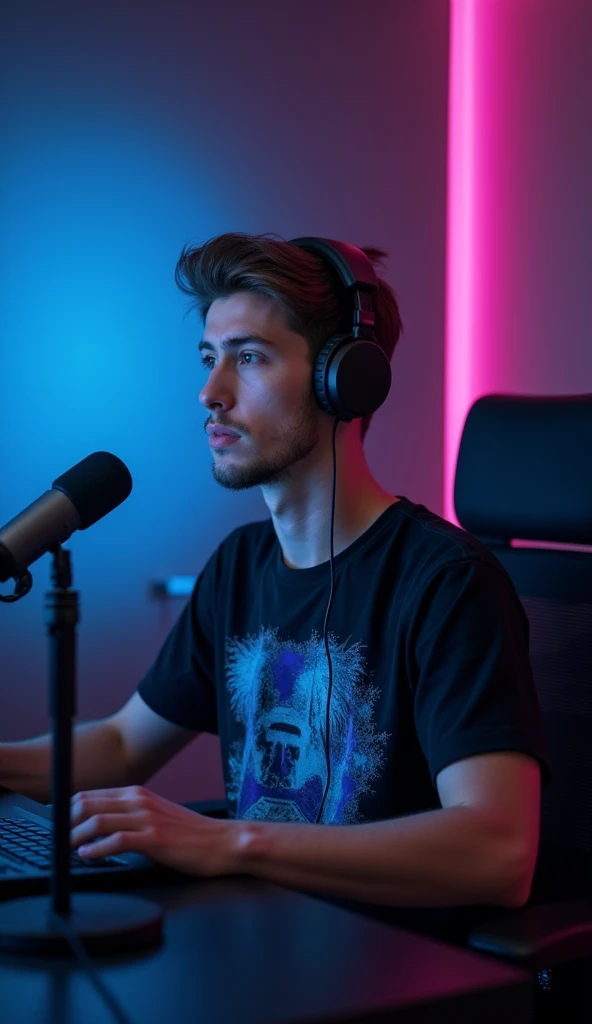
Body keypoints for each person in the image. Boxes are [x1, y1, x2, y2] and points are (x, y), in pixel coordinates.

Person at [0, 232, 550, 938]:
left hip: (398, 969)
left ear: (345, 379)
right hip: (262, 941)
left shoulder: (446, 583)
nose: (210, 393)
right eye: (208, 359)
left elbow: (498, 854)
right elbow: (123, 746)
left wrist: (229, 841)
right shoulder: (240, 565)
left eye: (249, 358)